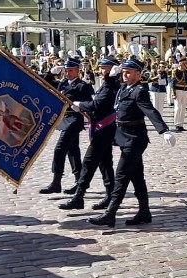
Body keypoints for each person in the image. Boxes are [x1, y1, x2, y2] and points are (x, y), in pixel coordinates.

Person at [87, 58, 176, 227]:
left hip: (135, 139)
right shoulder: (122, 88)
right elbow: (108, 92)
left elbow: (150, 111)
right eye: (124, 71)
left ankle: (110, 213)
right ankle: (144, 212)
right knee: (136, 176)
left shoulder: (139, 91)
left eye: (129, 72)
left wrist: (163, 130)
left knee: (121, 175)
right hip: (123, 136)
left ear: (138, 74)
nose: (125, 74)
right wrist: (109, 77)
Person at [59, 58, 122, 210]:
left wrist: (79, 104)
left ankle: (79, 196)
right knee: (105, 163)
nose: (101, 71)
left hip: (104, 129)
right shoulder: (108, 83)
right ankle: (110, 196)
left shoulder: (111, 84)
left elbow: (97, 104)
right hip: (102, 127)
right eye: (101, 68)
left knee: (88, 162)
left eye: (104, 68)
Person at [39, 58, 95, 195]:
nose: (67, 73)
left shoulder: (82, 86)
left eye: (71, 70)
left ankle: (56, 182)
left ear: (77, 71)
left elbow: (90, 102)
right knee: (73, 151)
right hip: (64, 120)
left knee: (59, 149)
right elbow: (45, 85)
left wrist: (80, 105)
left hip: (75, 120)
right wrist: (51, 74)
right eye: (66, 70)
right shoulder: (63, 83)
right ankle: (79, 182)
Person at [169, 58, 187, 132]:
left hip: (185, 91)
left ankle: (181, 124)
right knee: (178, 107)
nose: (186, 65)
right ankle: (176, 123)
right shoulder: (175, 71)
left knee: (183, 108)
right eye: (185, 64)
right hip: (178, 90)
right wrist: (173, 93)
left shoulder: (186, 72)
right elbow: (172, 83)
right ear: (181, 64)